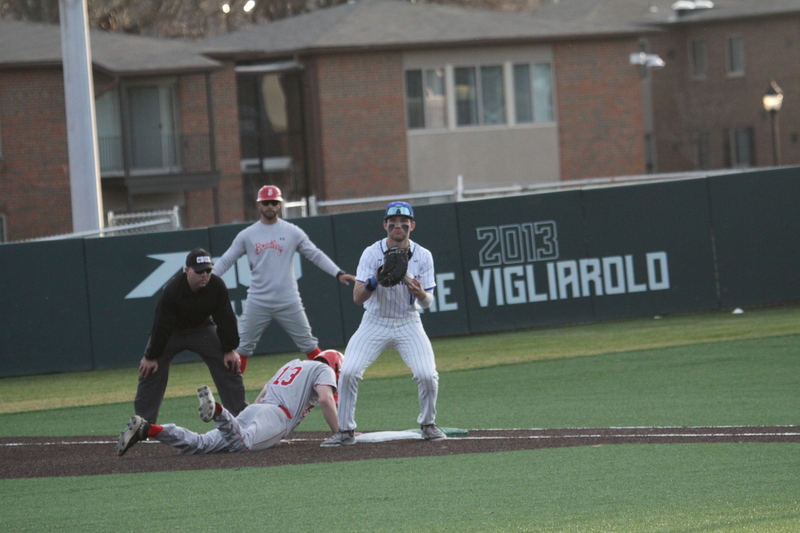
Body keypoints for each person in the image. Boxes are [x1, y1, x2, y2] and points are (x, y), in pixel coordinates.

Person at [322, 201, 446, 447]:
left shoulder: (423, 255)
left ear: (412, 225)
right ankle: (345, 430)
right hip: (374, 321)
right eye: (393, 222)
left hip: (408, 322)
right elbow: (358, 298)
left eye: (403, 222)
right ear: (385, 225)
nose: (398, 226)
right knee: (349, 372)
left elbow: (428, 302)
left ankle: (428, 424)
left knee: (427, 375)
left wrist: (420, 293)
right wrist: (373, 281)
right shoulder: (371, 253)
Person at [213, 185, 355, 371]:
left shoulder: (292, 231)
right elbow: (226, 260)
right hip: (258, 300)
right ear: (259, 205)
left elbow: (315, 254)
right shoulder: (248, 235)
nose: (270, 206)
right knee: (243, 348)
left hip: (288, 299)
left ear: (280, 204)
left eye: (274, 202)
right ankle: (233, 390)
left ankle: (328, 383)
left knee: (308, 344)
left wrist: (338, 272)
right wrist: (209, 278)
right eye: (266, 203)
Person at [117, 350, 344, 456]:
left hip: (257, 410)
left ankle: (149, 429)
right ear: (335, 366)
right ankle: (218, 411)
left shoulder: (293, 364)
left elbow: (265, 392)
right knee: (243, 445)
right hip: (278, 416)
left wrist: (266, 430)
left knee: (201, 444)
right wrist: (339, 433)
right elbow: (325, 399)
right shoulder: (323, 369)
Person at [134, 248, 247, 424]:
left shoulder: (216, 286)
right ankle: (143, 424)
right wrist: (151, 356)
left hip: (202, 331)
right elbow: (161, 326)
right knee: (149, 369)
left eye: (208, 270)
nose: (204, 275)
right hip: (172, 333)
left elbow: (226, 318)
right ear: (187, 270)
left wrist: (229, 349)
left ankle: (241, 420)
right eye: (199, 271)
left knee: (230, 364)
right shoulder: (173, 290)